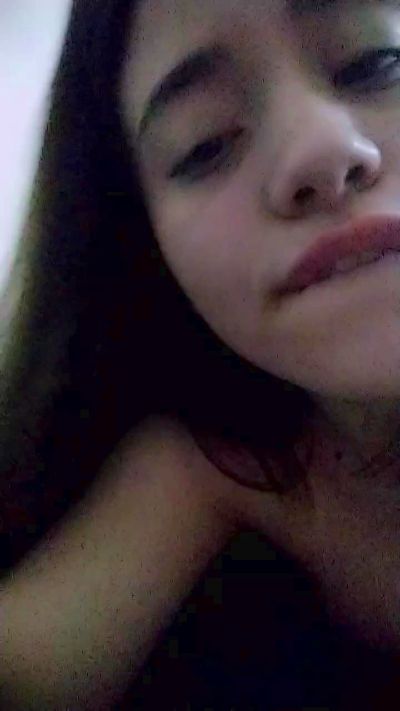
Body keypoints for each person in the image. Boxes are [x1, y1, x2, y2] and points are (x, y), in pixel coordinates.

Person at [1, 0, 400, 707]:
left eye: (378, 64)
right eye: (205, 144)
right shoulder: (217, 465)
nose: (321, 147)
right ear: (143, 249)